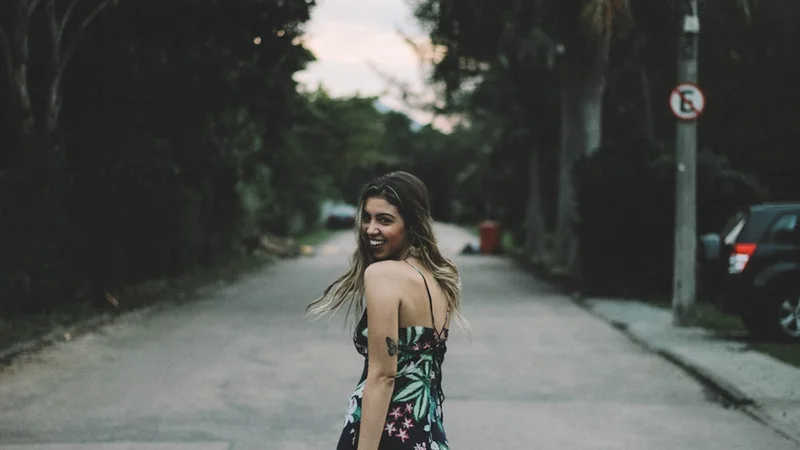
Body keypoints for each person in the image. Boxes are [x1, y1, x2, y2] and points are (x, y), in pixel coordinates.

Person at [307, 171, 465, 450]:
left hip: (388, 433)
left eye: (384, 220)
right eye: (367, 218)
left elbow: (383, 376)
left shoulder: (383, 275)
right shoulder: (438, 276)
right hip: (427, 434)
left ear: (411, 224)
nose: (370, 229)